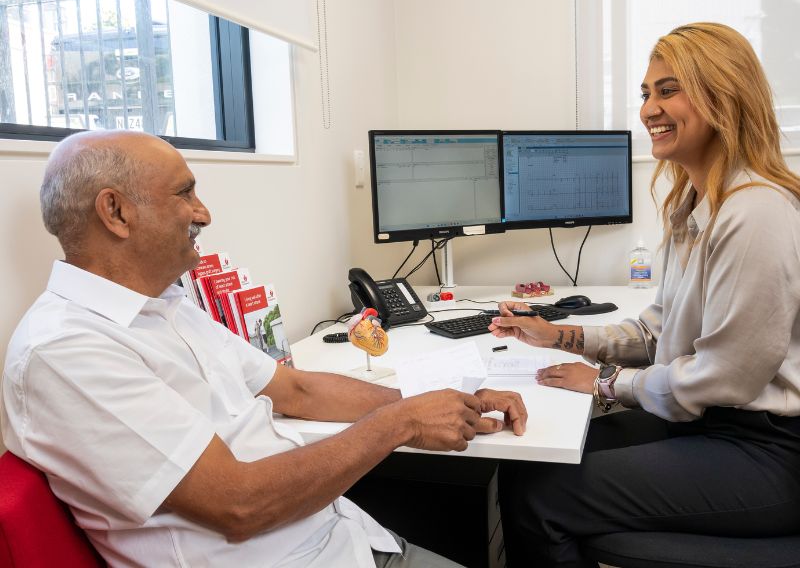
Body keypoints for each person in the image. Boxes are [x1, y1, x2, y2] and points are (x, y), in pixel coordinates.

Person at [0, 129, 528, 568]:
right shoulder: (66, 350)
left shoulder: (165, 306)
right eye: (184, 193)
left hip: (345, 541)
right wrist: (403, 423)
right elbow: (239, 503)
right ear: (115, 213)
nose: (202, 213)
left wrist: (447, 401)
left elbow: (294, 388)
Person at [489, 22, 800, 567]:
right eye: (645, 92)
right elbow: (658, 330)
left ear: (722, 96)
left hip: (769, 451)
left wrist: (610, 384)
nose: (648, 108)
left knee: (543, 497)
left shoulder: (755, 212)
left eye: (668, 89)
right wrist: (561, 334)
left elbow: (725, 375)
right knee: (528, 462)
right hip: (715, 423)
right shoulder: (696, 209)